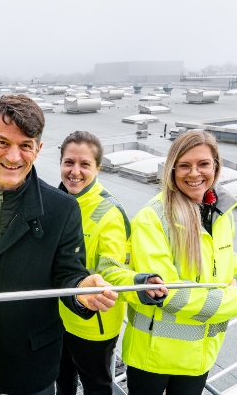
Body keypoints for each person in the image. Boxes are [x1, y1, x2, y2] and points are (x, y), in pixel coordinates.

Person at [0, 95, 119, 395]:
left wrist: (81, 290)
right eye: (3, 143)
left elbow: (68, 274)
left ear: (38, 149)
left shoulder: (62, 209)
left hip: (31, 366)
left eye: (25, 145)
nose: (13, 156)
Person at [122, 130, 237, 395]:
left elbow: (222, 257)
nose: (194, 174)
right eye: (184, 165)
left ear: (216, 166)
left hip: (199, 356)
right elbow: (167, 291)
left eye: (203, 164)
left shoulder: (219, 211)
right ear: (172, 169)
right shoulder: (153, 217)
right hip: (153, 356)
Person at [55, 131, 168, 395]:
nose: (75, 171)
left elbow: (112, 269)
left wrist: (139, 282)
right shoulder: (55, 202)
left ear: (98, 168)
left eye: (85, 164)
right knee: (62, 380)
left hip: (93, 324)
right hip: (59, 316)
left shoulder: (109, 213)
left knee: (96, 385)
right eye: (69, 162)